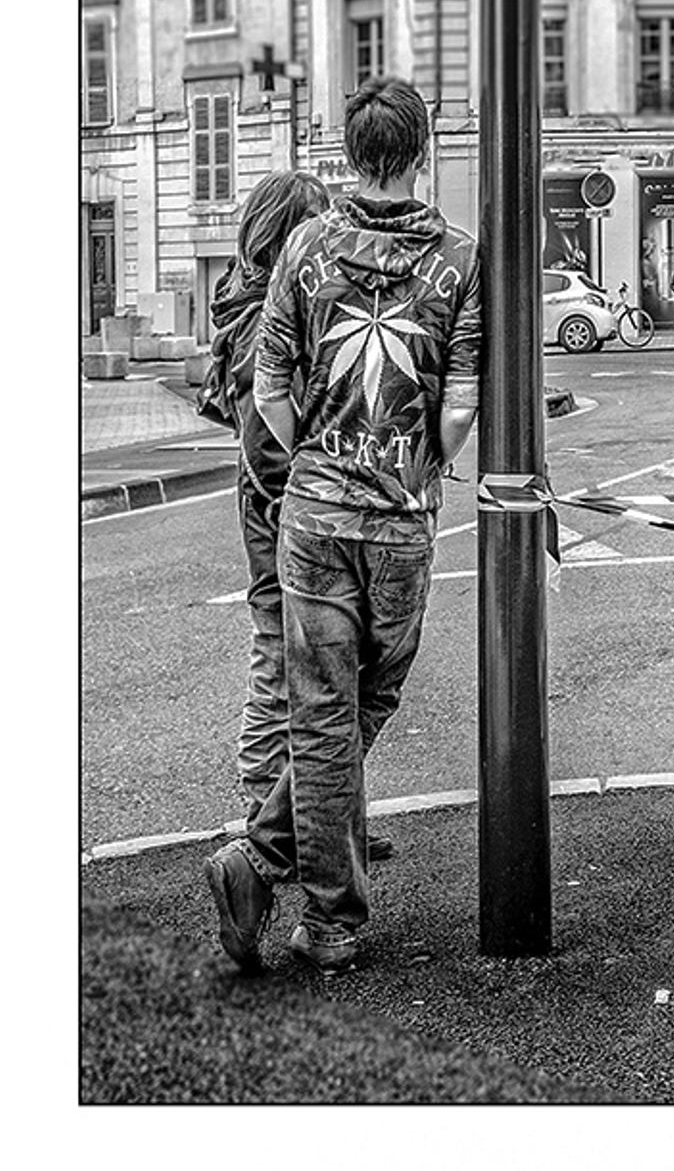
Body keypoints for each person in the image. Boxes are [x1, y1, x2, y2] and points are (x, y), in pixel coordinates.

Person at [206, 76, 482, 975]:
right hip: (400, 517)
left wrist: (319, 454)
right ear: (423, 151)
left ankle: (315, 909)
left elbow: (273, 386)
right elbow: (458, 408)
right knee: (371, 695)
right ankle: (273, 872)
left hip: (313, 512)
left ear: (351, 153)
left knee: (320, 705)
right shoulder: (459, 255)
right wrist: (422, 459)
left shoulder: (306, 248)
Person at [203, 171, 398, 861]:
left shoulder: (273, 303)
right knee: (281, 666)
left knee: (317, 672)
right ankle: (268, 822)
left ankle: (322, 818)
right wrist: (319, 491)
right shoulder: (265, 318)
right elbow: (268, 445)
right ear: (287, 237)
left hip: (289, 512)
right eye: (316, 224)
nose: (330, 238)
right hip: (284, 518)